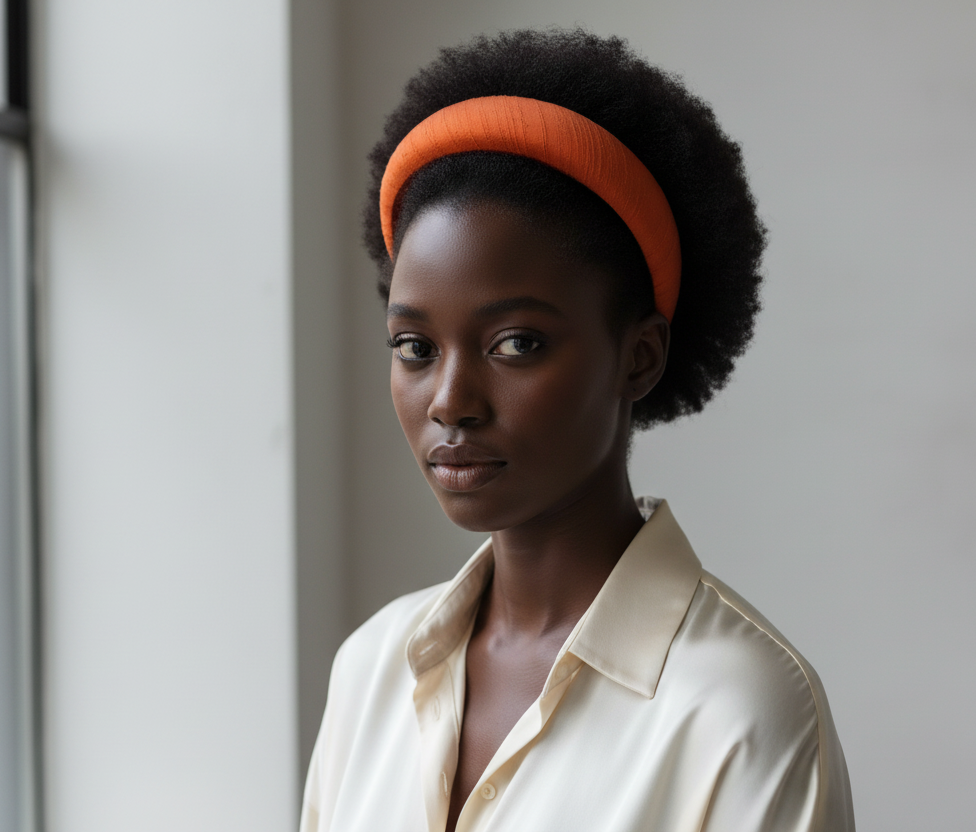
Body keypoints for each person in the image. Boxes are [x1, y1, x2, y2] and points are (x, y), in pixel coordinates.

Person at [301, 29, 854, 832]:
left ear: (639, 356)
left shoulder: (740, 711)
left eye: (516, 343)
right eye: (415, 347)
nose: (450, 400)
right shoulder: (373, 668)